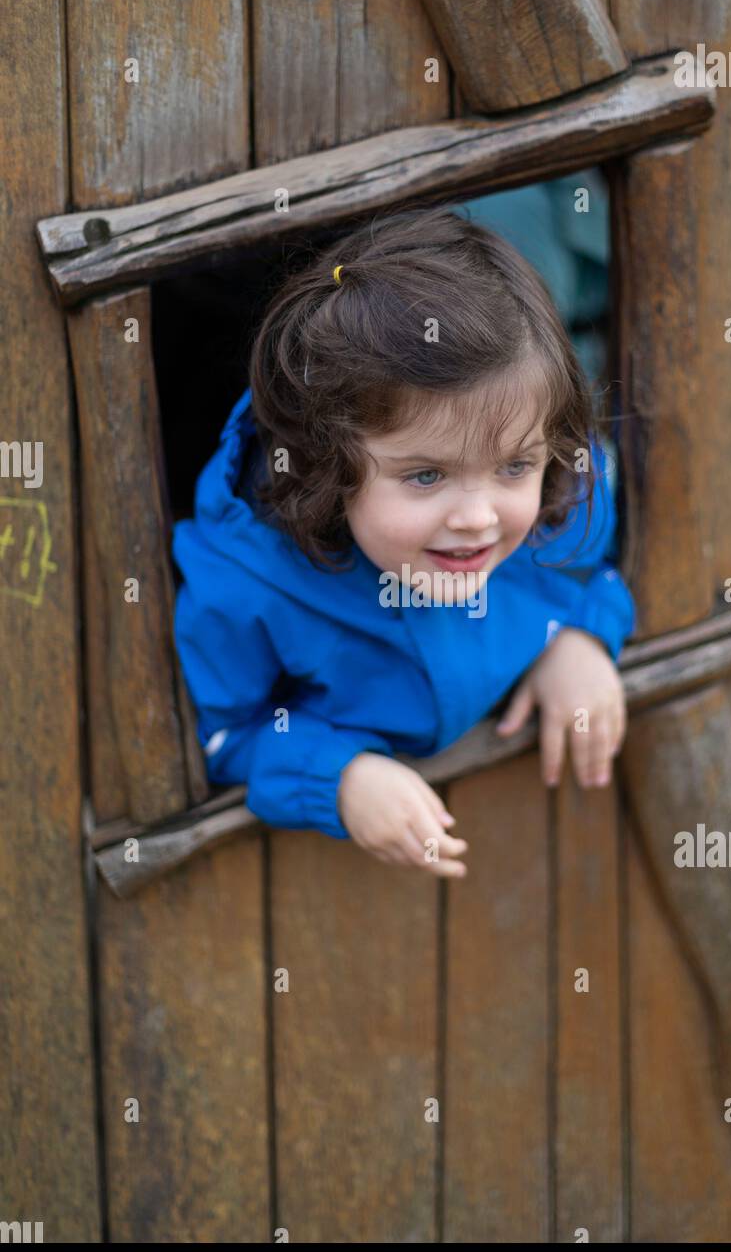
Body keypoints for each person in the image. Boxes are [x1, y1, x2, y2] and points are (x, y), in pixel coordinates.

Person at [171, 203, 636, 878]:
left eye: (514, 466)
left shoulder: (566, 492)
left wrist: (582, 638)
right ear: (327, 465)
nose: (478, 516)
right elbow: (222, 732)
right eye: (425, 476)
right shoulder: (246, 587)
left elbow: (598, 568)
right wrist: (338, 777)